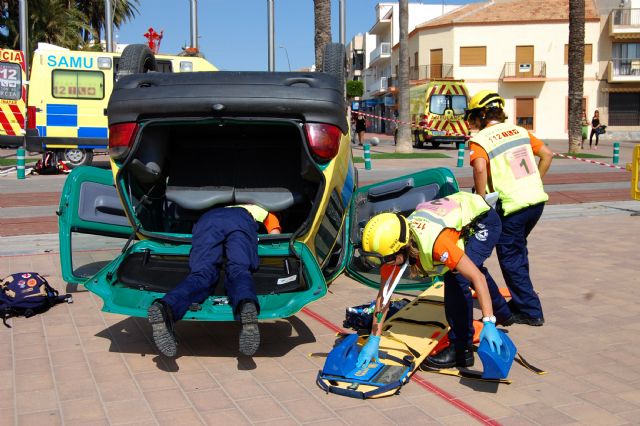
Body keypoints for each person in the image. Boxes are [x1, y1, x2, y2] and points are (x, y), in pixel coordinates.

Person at [356, 191, 514, 370]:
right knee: (465, 267)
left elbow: (476, 277)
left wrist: (488, 322)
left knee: (459, 276)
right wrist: (374, 339)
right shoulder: (391, 251)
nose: (382, 265)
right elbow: (384, 297)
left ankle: (461, 350)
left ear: (401, 249)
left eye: (383, 260)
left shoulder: (436, 244)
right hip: (453, 216)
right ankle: (503, 312)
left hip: (483, 220)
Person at [465, 90, 553, 327]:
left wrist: (481, 203)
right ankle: (523, 299)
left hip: (513, 207)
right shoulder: (520, 131)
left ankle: (530, 311)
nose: (473, 123)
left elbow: (480, 169)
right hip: (535, 202)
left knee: (510, 257)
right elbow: (547, 155)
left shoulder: (481, 139)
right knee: (517, 252)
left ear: (483, 115)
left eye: (474, 117)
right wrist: (536, 181)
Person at [147, 204, 281, 357]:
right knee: (239, 270)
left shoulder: (213, 205)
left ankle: (166, 307)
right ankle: (246, 303)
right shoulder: (258, 209)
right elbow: (275, 236)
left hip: (207, 220)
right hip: (240, 219)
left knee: (201, 274)